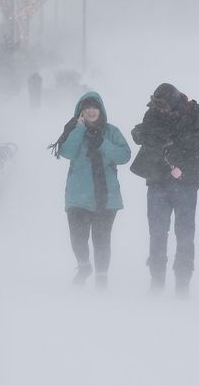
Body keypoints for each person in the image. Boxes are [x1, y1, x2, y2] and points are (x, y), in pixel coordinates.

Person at [130, 83, 199, 298]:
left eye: (165, 107)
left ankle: (183, 285)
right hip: (157, 180)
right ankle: (156, 282)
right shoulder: (152, 113)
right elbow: (142, 135)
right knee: (157, 233)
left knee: (185, 234)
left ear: (175, 102)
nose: (162, 111)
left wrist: (176, 139)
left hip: (187, 182)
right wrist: (141, 134)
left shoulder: (195, 112)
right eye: (158, 107)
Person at [50, 92, 131, 288]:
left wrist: (102, 144)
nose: (92, 111)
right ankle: (84, 266)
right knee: (78, 238)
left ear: (100, 110)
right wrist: (78, 128)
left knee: (101, 240)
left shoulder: (111, 132)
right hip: (78, 196)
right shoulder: (74, 130)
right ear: (81, 112)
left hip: (106, 196)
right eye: (87, 108)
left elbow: (124, 155)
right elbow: (67, 152)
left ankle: (102, 277)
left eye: (95, 107)